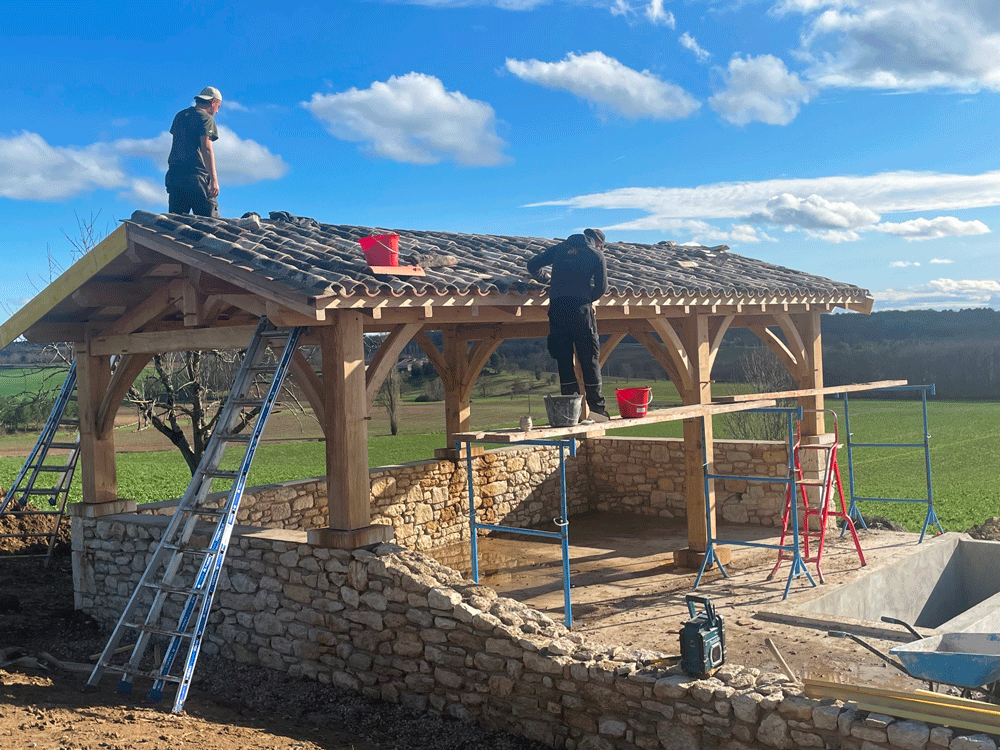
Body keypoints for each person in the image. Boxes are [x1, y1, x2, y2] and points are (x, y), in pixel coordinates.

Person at [527, 228, 610, 421]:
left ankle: (569, 410)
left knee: (563, 359)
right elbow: (602, 288)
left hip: (557, 310)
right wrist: (585, 298)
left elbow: (532, 264)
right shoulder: (596, 254)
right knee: (589, 358)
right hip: (581, 310)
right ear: (598, 243)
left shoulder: (559, 249)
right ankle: (597, 410)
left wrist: (545, 279)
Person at [165, 86, 222, 217]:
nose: (217, 111)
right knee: (211, 225)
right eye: (218, 107)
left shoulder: (179, 116)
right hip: (197, 177)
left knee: (175, 225)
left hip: (175, 176)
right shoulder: (206, 118)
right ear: (213, 102)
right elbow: (206, 148)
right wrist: (213, 180)